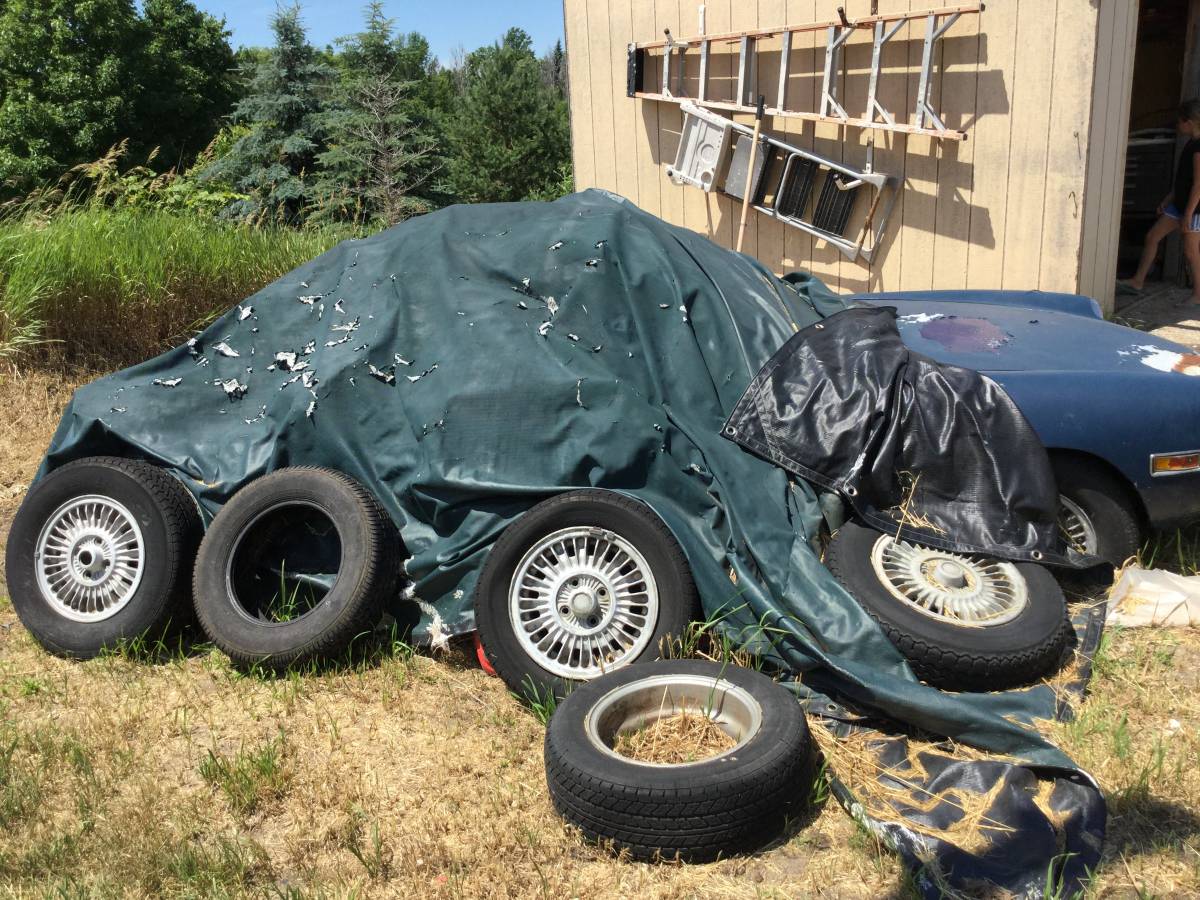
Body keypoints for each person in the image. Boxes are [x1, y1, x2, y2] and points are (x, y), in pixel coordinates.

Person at [1123, 99, 1200, 304]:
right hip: (1179, 205)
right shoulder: (1191, 143)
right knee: (1152, 237)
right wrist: (1168, 199)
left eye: (1180, 122)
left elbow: (1198, 185)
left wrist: (1189, 214)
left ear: (1190, 122)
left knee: (1191, 251)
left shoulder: (1199, 147)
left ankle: (1199, 294)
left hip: (1193, 209)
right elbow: (1184, 180)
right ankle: (1138, 281)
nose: (1177, 125)